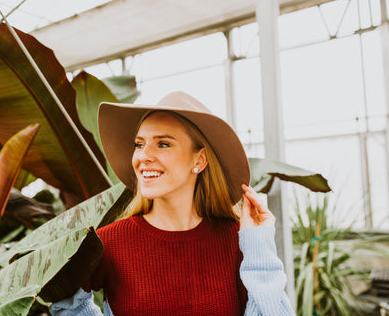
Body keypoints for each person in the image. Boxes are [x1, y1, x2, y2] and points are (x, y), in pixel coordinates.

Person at [50, 91, 295, 316]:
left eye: (163, 144)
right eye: (139, 144)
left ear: (199, 160)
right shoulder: (108, 243)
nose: (143, 156)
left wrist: (258, 244)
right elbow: (66, 306)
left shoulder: (237, 241)